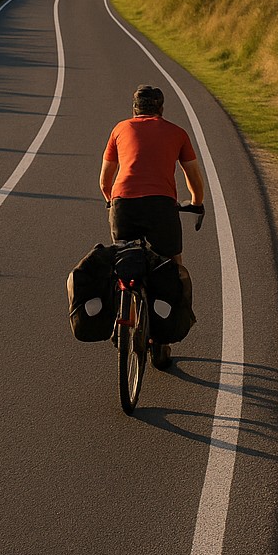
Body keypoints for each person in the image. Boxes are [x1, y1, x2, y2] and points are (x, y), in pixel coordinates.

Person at [99, 85, 205, 368]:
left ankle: (119, 315)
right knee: (172, 266)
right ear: (160, 109)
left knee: (121, 260)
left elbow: (104, 182)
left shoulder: (119, 129)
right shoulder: (177, 132)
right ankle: (162, 342)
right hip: (161, 207)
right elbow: (193, 175)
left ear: (134, 109)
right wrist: (196, 202)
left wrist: (113, 202)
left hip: (124, 205)